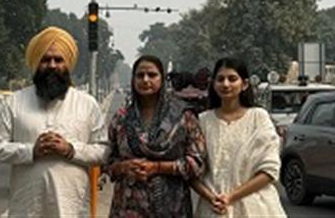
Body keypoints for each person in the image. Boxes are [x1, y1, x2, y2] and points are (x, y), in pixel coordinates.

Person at [0, 26, 109, 217]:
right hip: (26, 209)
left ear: (68, 64)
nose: (52, 65)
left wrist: (70, 149)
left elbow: (103, 151)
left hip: (72, 209)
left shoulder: (87, 104)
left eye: (58, 60)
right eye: (45, 59)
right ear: (36, 63)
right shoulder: (14, 102)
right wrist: (31, 151)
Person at [106, 55, 205, 217]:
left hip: (172, 207)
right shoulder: (121, 118)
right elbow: (108, 162)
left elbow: (197, 163)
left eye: (152, 75)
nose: (145, 80)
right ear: (133, 80)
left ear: (162, 79)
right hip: (128, 206)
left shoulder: (183, 116)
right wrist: (125, 167)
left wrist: (158, 167)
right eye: (140, 75)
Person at [193, 57, 286, 217]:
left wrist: (231, 197)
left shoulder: (259, 118)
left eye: (232, 79)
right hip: (213, 208)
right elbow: (191, 169)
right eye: (220, 79)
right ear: (213, 84)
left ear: (244, 84)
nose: (226, 84)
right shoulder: (202, 121)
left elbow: (270, 170)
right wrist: (212, 198)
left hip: (256, 208)